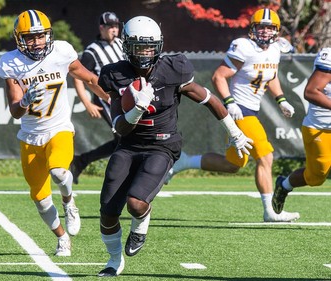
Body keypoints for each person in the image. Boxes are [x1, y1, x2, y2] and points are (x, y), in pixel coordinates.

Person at [96, 16, 253, 277]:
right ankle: (114, 260)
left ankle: (141, 223)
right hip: (129, 145)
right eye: (138, 47)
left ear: (158, 46)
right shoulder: (115, 74)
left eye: (149, 47)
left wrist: (235, 132)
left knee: (136, 203)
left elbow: (208, 99)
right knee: (108, 211)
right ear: (126, 47)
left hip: (162, 145)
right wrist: (136, 109)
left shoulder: (172, 68)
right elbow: (119, 127)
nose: (144, 53)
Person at [165, 8, 300, 223]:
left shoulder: (274, 50)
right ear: (252, 29)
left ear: (276, 31)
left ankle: (184, 162)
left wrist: (281, 99)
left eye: (269, 28)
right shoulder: (243, 47)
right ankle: (270, 211)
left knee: (233, 164)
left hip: (250, 110)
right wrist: (229, 102)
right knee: (266, 156)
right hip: (240, 110)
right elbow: (219, 76)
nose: (264, 32)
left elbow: (270, 75)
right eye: (260, 27)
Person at [0, 10, 109, 256]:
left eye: (40, 36)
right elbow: (15, 111)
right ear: (19, 38)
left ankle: (69, 202)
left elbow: (89, 78)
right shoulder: (11, 63)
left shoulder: (61, 52)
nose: (36, 42)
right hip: (30, 136)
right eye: (30, 37)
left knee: (59, 172)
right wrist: (25, 100)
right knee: (39, 196)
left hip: (59, 128)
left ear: (49, 35)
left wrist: (111, 96)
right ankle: (62, 237)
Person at [272, 47, 331, 214]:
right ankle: (284, 185)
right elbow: (311, 91)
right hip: (322, 127)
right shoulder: (329, 57)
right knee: (316, 177)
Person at [71, 11, 124, 184]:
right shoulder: (91, 52)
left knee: (123, 139)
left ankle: (81, 161)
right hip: (106, 99)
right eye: (110, 27)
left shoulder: (121, 44)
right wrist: (87, 103)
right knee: (123, 136)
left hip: (126, 97)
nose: (114, 30)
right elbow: (79, 78)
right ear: (102, 28)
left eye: (116, 26)